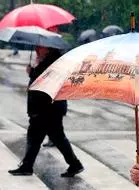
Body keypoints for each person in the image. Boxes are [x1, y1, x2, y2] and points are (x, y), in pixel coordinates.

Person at [8, 46, 84, 177]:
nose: (37, 49)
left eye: (39, 47)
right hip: (49, 108)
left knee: (37, 137)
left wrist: (32, 72)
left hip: (46, 108)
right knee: (53, 137)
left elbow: (43, 83)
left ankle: (28, 166)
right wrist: (34, 69)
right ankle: (74, 164)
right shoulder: (50, 61)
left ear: (48, 49)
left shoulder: (52, 63)